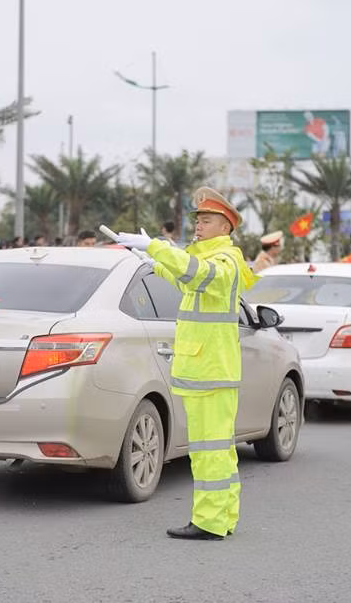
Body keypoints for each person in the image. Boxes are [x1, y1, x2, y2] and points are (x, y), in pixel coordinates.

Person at [116, 186, 257, 540]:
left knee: (210, 451)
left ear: (225, 227)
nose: (198, 225)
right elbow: (184, 276)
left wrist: (157, 248)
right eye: (197, 220)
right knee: (217, 450)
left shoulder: (225, 262)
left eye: (207, 220)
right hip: (206, 371)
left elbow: (197, 273)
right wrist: (153, 261)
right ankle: (223, 518)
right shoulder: (210, 260)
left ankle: (209, 521)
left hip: (211, 372)